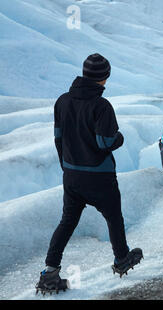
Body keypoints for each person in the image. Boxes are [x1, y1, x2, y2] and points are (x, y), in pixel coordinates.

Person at [36, 54, 143, 294]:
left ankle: (49, 273)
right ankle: (121, 259)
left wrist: (67, 166)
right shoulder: (101, 106)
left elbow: (58, 138)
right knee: (113, 217)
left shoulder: (62, 101)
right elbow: (105, 141)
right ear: (105, 77)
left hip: (72, 175)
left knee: (67, 221)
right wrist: (120, 138)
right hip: (99, 176)